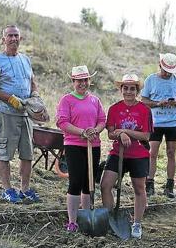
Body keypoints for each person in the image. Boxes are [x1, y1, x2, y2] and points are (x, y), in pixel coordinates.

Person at [0, 25, 40, 203]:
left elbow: (32, 82)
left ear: (20, 39)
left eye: (16, 36)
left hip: (25, 115)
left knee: (27, 154)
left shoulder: (25, 60)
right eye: (9, 36)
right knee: (5, 153)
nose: (13, 39)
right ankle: (7, 189)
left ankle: (25, 189)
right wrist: (10, 99)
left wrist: (35, 96)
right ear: (3, 39)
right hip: (6, 114)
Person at [100, 74, 153, 239]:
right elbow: (110, 133)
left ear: (137, 90)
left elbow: (145, 136)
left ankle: (137, 223)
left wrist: (124, 131)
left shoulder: (144, 110)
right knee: (105, 185)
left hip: (139, 154)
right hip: (118, 153)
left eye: (132, 88)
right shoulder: (115, 109)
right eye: (125, 88)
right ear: (121, 89)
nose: (128, 91)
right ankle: (110, 218)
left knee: (139, 188)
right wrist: (119, 135)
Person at [56, 66, 106, 232]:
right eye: (79, 80)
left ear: (89, 81)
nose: (83, 83)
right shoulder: (67, 100)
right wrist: (82, 132)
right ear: (73, 82)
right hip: (74, 145)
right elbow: (62, 122)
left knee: (89, 183)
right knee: (76, 181)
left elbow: (102, 120)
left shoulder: (95, 100)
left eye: (85, 80)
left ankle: (86, 217)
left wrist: (94, 131)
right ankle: (72, 220)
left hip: (93, 145)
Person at [141, 53, 176, 198]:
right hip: (155, 122)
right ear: (160, 65)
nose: (167, 73)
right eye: (165, 70)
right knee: (152, 153)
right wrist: (157, 103)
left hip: (172, 122)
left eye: (170, 71)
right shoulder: (151, 80)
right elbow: (143, 100)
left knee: (171, 153)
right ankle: (149, 183)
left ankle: (169, 185)